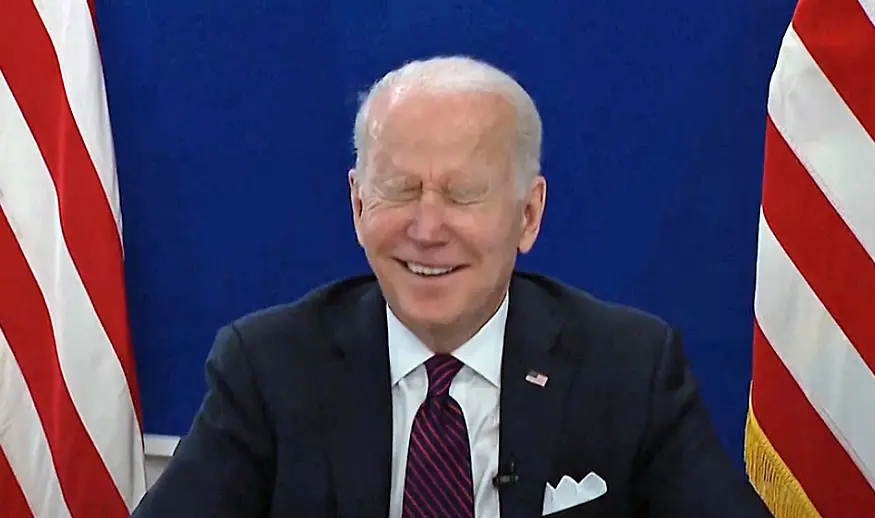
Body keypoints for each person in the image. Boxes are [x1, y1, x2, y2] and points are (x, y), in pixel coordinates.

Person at [133, 55, 771, 517]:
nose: (427, 229)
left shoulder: (629, 367)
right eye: (399, 190)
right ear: (358, 205)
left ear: (528, 215)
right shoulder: (268, 367)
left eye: (463, 194)